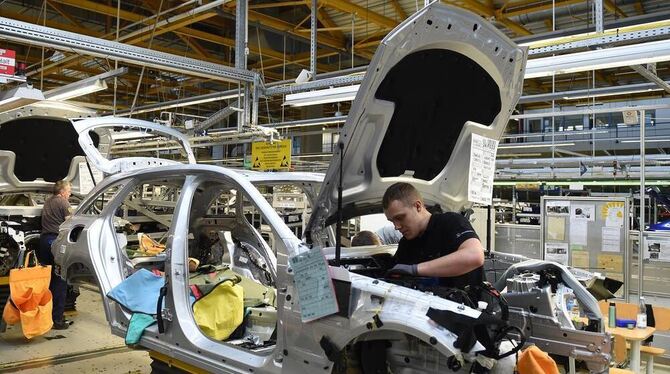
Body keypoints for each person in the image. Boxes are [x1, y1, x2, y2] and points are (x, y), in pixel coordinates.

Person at [383, 182, 484, 289]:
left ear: (417, 206)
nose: (396, 226)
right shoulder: (406, 244)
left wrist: (415, 270)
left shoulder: (451, 222)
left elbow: (475, 256)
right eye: (392, 221)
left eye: (400, 217)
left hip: (469, 303)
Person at [38, 180, 72, 330]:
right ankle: (57, 320)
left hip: (44, 242)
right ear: (63, 192)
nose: (70, 193)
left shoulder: (48, 202)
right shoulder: (64, 203)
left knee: (48, 280)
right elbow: (70, 223)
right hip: (56, 243)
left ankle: (45, 316)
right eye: (69, 190)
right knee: (60, 280)